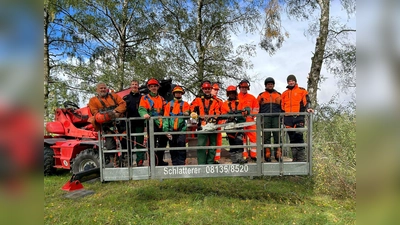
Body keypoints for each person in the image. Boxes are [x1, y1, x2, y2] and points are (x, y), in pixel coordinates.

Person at [281, 74, 314, 162]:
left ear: (295, 81)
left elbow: (307, 101)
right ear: (287, 82)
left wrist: (309, 108)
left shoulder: (302, 91)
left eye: (292, 80)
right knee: (292, 138)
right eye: (289, 81)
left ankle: (302, 158)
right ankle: (295, 158)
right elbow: (282, 106)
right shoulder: (284, 93)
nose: (291, 82)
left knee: (299, 136)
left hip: (298, 117)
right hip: (288, 118)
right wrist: (282, 117)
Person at [138, 78, 168, 166]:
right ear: (149, 88)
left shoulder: (162, 99)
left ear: (158, 87)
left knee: (163, 142)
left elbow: (166, 109)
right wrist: (144, 114)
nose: (153, 88)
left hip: (161, 123)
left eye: (155, 86)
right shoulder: (145, 98)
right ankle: (153, 162)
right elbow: (142, 109)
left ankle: (160, 161)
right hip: (151, 123)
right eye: (151, 86)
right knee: (152, 143)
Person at [88, 82, 126, 150]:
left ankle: (125, 158)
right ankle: (112, 159)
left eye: (104, 88)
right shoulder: (93, 100)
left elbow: (123, 104)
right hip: (107, 126)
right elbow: (95, 113)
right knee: (110, 145)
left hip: (120, 124)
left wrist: (115, 111)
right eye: (101, 88)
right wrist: (106, 116)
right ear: (97, 90)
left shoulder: (114, 96)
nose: (103, 89)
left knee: (125, 141)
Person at [190, 80, 221, 165]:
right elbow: (192, 107)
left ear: (211, 89)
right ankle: (202, 164)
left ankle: (210, 163)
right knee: (201, 145)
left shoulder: (215, 101)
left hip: (212, 126)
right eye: (205, 89)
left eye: (208, 88)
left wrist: (213, 119)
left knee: (213, 145)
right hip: (202, 126)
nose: (207, 90)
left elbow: (218, 112)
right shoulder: (197, 100)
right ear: (202, 89)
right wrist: (193, 112)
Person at [163, 86, 190, 165]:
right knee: (172, 148)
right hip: (171, 130)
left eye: (179, 93)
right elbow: (166, 118)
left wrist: (187, 114)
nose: (178, 94)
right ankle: (175, 164)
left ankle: (181, 163)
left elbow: (188, 114)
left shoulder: (185, 104)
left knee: (181, 146)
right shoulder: (169, 105)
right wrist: (166, 130)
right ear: (174, 93)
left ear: (181, 94)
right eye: (177, 92)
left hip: (181, 129)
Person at [221, 85, 248, 164]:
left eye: (233, 93)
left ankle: (239, 158)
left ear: (235, 93)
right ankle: (234, 160)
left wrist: (245, 112)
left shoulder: (241, 102)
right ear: (228, 94)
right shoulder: (225, 104)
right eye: (230, 93)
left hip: (239, 125)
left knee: (239, 141)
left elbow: (245, 112)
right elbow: (223, 114)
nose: (231, 94)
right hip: (229, 126)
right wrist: (228, 117)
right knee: (232, 142)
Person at [257, 77, 282, 162]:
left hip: (276, 117)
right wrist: (259, 118)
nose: (270, 85)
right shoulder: (261, 96)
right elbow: (257, 108)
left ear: (273, 85)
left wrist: (282, 117)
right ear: (266, 85)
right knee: (266, 136)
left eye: (271, 84)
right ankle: (267, 154)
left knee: (277, 135)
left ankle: (278, 154)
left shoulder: (279, 95)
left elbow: (283, 107)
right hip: (265, 117)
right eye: (268, 84)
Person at [123, 80, 146, 167]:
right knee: (129, 143)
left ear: (138, 86)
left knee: (140, 143)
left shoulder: (142, 98)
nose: (134, 86)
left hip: (139, 123)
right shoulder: (126, 98)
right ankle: (129, 161)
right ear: (130, 86)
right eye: (133, 84)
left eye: (136, 84)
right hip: (129, 124)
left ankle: (140, 161)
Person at [237, 80, 259, 160]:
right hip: (240, 121)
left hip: (250, 121)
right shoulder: (236, 97)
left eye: (245, 87)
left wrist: (252, 115)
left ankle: (254, 155)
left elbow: (256, 108)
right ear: (240, 88)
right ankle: (244, 155)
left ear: (248, 88)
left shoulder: (252, 98)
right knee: (242, 139)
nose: (244, 89)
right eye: (242, 87)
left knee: (254, 137)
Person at [211, 82, 223, 164]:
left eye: (217, 90)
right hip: (208, 125)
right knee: (208, 142)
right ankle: (209, 158)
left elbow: (223, 112)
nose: (216, 91)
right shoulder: (204, 100)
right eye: (214, 90)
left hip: (217, 125)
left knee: (218, 141)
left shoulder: (219, 101)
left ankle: (216, 158)